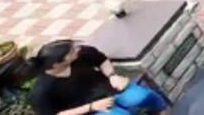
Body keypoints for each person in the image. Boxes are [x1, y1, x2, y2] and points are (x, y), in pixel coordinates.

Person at [29, 40, 168, 115]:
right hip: (89, 111)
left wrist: (112, 76)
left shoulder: (81, 55)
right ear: (56, 64)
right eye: (72, 51)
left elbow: (101, 60)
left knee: (145, 96)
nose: (77, 49)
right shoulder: (41, 91)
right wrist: (91, 107)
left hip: (111, 91)